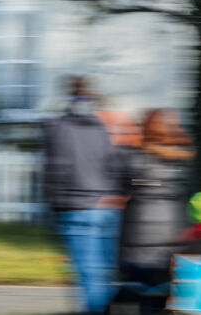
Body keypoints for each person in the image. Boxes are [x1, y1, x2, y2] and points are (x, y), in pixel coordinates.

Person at [43, 76, 126, 315]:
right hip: (105, 206)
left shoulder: (58, 127)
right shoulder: (100, 126)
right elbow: (112, 164)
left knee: (87, 272)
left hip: (75, 207)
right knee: (103, 271)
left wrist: (53, 202)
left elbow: (55, 168)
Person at [117, 108, 195, 315]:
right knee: (164, 296)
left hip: (138, 238)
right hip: (174, 234)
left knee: (134, 293)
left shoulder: (134, 157)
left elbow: (122, 187)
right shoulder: (185, 159)